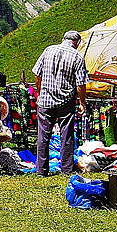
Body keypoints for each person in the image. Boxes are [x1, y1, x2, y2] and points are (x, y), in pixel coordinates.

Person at [32, 30, 89, 175]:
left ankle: (41, 170)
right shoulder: (77, 57)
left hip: (45, 100)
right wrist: (82, 102)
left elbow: (37, 74)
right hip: (65, 102)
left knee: (43, 136)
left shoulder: (48, 50)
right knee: (66, 136)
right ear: (77, 43)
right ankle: (66, 169)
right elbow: (81, 84)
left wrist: (39, 92)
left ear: (63, 39)